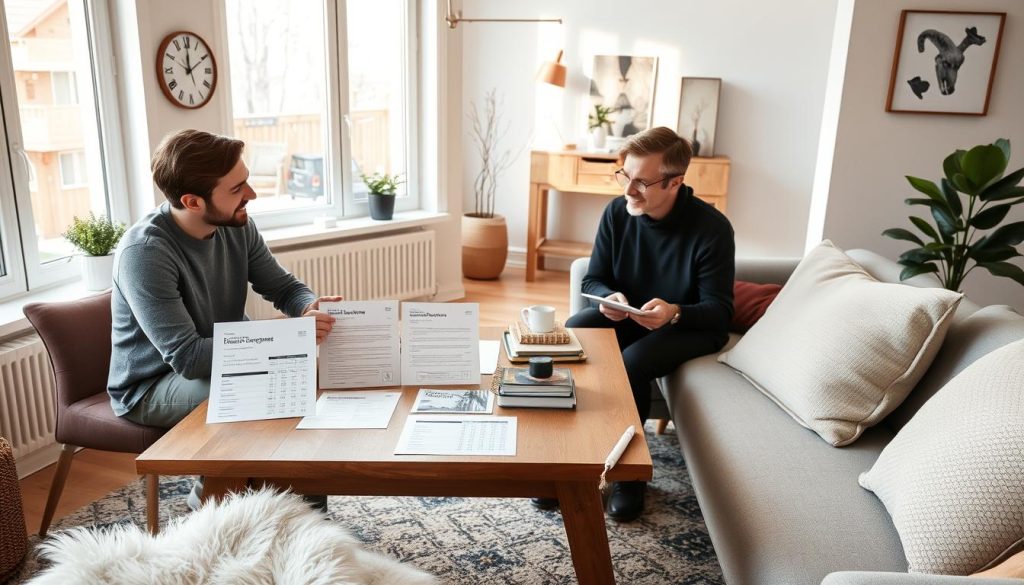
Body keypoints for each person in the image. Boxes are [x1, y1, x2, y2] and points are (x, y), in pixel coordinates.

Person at [108, 129, 340, 508]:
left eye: (245, 180)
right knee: (263, 391)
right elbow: (188, 358)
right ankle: (211, 504)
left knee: (299, 380)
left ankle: (303, 520)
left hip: (225, 360)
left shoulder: (237, 224)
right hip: (152, 384)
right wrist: (286, 338)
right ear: (192, 201)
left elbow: (283, 288)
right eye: (237, 188)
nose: (251, 194)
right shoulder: (145, 253)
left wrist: (308, 307)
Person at [533, 126, 735, 521]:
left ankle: (629, 476)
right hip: (633, 315)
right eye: (624, 175)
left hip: (689, 325)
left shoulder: (712, 228)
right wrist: (608, 296)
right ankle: (577, 459)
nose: (628, 190)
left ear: (676, 182)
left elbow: (719, 310)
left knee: (634, 362)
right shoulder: (616, 213)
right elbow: (593, 277)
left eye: (642, 182)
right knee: (579, 327)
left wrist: (676, 310)